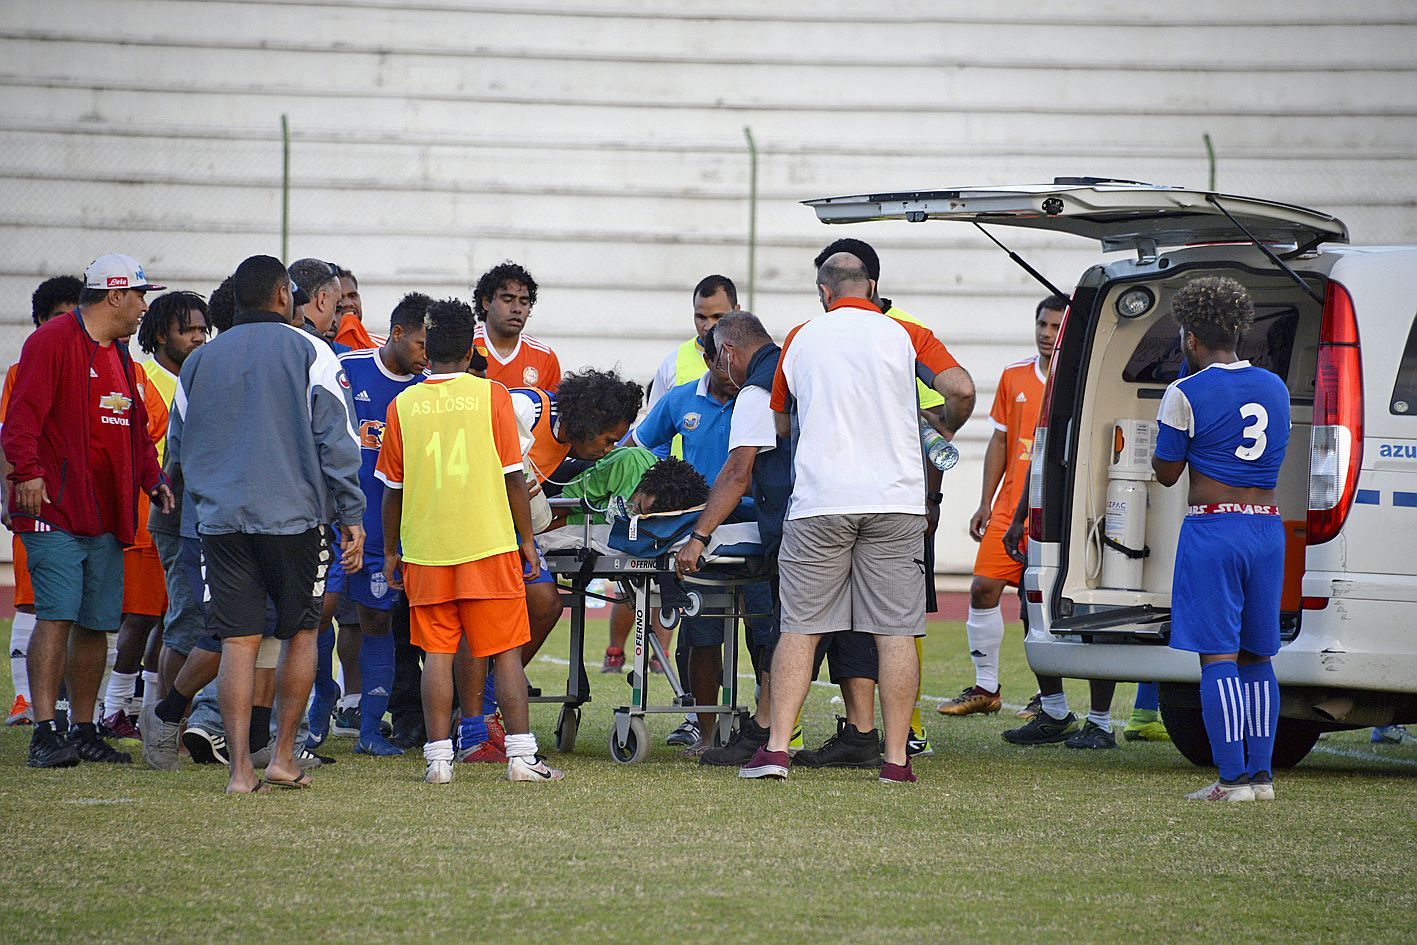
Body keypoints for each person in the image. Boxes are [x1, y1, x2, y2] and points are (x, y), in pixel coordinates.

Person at [739, 253, 973, 784]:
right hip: (895, 501)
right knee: (894, 632)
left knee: (800, 627)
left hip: (821, 501)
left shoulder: (800, 337)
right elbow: (960, 389)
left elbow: (779, 419)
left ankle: (776, 751)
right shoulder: (907, 333)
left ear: (824, 292)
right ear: (871, 287)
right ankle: (895, 760)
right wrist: (942, 425)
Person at [163, 254, 364, 793]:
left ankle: (239, 773)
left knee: (238, 642)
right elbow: (336, 440)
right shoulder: (311, 351)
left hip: (221, 521)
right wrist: (352, 515)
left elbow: (176, 449)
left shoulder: (200, 361)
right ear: (283, 295)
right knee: (301, 632)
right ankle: (281, 756)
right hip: (295, 518)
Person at [376, 297, 564, 784]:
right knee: (504, 650)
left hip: (427, 549)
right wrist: (527, 540)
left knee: (437, 652)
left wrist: (393, 551)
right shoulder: (493, 396)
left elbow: (391, 493)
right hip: (489, 544)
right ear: (470, 350)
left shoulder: (403, 405)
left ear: (429, 349)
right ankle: (522, 758)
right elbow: (512, 479)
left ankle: (439, 760)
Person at [3, 254, 173, 768]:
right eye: (140, 295)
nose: (145, 306)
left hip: (105, 512)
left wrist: (154, 479)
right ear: (114, 295)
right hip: (53, 506)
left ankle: (82, 728)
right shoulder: (52, 340)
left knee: (96, 622)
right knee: (56, 614)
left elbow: (136, 430)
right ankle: (44, 729)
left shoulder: (119, 354)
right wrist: (28, 473)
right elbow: (20, 420)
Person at [1152, 276, 1289, 802]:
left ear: (1190, 336)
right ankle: (1261, 777)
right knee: (1259, 654)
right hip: (1266, 526)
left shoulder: (1184, 391)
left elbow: (1167, 472)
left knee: (1218, 655)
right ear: (1237, 328)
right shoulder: (1274, 385)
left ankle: (1230, 779)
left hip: (1215, 527)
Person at [937, 295, 1062, 718]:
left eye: (1055, 327)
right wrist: (985, 502)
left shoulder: (1079, 379)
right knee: (983, 588)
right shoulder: (1014, 376)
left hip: (1056, 510)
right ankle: (986, 687)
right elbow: (1001, 441)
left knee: (1038, 604)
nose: (1046, 334)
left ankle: (1051, 698)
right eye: (1042, 325)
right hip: (1011, 507)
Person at [330, 292, 431, 755]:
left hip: (396, 534)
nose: (426, 356)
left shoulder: (427, 389)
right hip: (342, 528)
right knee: (316, 621)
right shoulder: (347, 370)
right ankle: (319, 724)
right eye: (420, 344)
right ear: (396, 334)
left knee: (384, 624)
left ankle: (372, 729)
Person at [2, 274, 83, 727]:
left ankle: (74, 706)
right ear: (38, 323)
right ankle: (24, 697)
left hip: (81, 506)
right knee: (34, 601)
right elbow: (8, 434)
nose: (67, 324)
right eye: (57, 317)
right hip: (37, 501)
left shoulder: (98, 360)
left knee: (81, 608)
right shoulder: (23, 370)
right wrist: (9, 493)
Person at [136, 291, 211, 699]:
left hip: (195, 514)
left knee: (178, 618)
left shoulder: (201, 373)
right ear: (163, 334)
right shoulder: (147, 379)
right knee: (175, 620)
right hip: (173, 512)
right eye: (189, 330)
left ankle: (156, 711)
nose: (199, 338)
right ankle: (162, 723)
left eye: (203, 329)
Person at [646, 275, 741, 457]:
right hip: (683, 482)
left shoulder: (752, 359)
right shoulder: (673, 362)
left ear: (736, 310)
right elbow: (654, 432)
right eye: (701, 317)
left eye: (718, 316)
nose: (708, 325)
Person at [472, 261, 561, 391]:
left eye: (524, 302)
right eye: (507, 300)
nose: (517, 309)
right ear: (486, 302)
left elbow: (552, 409)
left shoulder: (545, 357)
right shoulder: (463, 347)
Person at [289, 258, 343, 344]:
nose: (334, 319)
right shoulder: (317, 346)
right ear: (322, 300)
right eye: (336, 305)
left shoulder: (272, 332)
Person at [332, 266, 384, 350]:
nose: (348, 303)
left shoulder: (383, 347)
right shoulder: (317, 349)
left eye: (352, 296)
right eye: (340, 298)